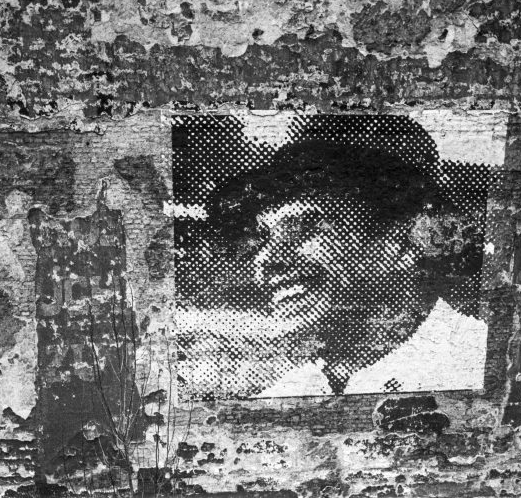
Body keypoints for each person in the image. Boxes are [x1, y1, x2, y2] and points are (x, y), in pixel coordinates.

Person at [200, 116, 488, 397]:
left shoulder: (471, 369)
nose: (265, 261)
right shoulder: (293, 389)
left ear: (403, 238)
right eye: (266, 236)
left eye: (306, 227)